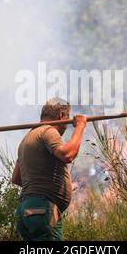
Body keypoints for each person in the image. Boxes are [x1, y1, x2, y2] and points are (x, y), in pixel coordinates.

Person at [11, 97, 87, 241]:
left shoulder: (26, 139)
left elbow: (16, 178)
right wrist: (80, 126)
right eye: (67, 119)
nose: (66, 126)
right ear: (62, 116)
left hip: (27, 211)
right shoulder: (48, 131)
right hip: (41, 210)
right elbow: (68, 154)